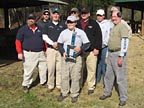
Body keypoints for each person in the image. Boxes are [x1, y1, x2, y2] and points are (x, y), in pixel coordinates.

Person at [99, 10, 130, 106]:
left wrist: (121, 56)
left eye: (115, 17)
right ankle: (107, 92)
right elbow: (110, 42)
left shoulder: (123, 27)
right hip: (111, 54)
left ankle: (123, 97)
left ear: (120, 17)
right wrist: (107, 55)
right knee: (108, 76)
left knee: (120, 77)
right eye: (112, 17)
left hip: (118, 54)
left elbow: (125, 42)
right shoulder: (113, 27)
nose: (113, 18)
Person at [57, 15, 90, 103]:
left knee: (76, 76)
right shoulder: (63, 32)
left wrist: (81, 49)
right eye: (68, 22)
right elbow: (59, 44)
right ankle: (64, 93)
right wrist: (62, 52)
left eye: (72, 22)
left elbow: (87, 44)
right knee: (64, 76)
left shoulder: (81, 32)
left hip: (77, 57)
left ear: (75, 23)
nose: (70, 24)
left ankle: (74, 94)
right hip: (65, 58)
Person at [15, 13, 47, 93]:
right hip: (29, 53)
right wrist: (19, 52)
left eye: (32, 19)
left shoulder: (40, 28)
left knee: (44, 68)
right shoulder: (23, 29)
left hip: (41, 52)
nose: (30, 20)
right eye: (29, 19)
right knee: (29, 70)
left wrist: (46, 50)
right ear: (27, 20)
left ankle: (43, 82)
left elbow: (44, 40)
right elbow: (18, 41)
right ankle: (26, 85)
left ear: (35, 20)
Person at [77, 7, 102, 95]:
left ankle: (91, 86)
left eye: (85, 13)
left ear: (89, 14)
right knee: (79, 69)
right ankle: (78, 85)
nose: (83, 14)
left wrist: (97, 48)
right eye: (82, 13)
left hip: (91, 50)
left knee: (91, 69)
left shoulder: (94, 23)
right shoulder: (77, 24)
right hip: (79, 51)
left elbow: (99, 37)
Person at [42, 8, 67, 92]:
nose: (56, 15)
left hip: (60, 49)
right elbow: (44, 36)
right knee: (51, 68)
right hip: (51, 49)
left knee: (60, 68)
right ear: (52, 15)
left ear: (59, 15)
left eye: (57, 14)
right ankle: (50, 85)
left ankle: (59, 84)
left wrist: (58, 43)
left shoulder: (63, 25)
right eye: (54, 14)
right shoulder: (47, 25)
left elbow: (65, 36)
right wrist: (52, 43)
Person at [95, 9, 112, 86]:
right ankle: (97, 78)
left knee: (104, 63)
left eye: (100, 15)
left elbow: (108, 35)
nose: (99, 17)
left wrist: (105, 43)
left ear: (103, 16)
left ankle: (105, 80)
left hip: (104, 46)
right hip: (96, 47)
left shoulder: (108, 24)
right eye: (98, 15)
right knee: (97, 62)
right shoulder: (95, 23)